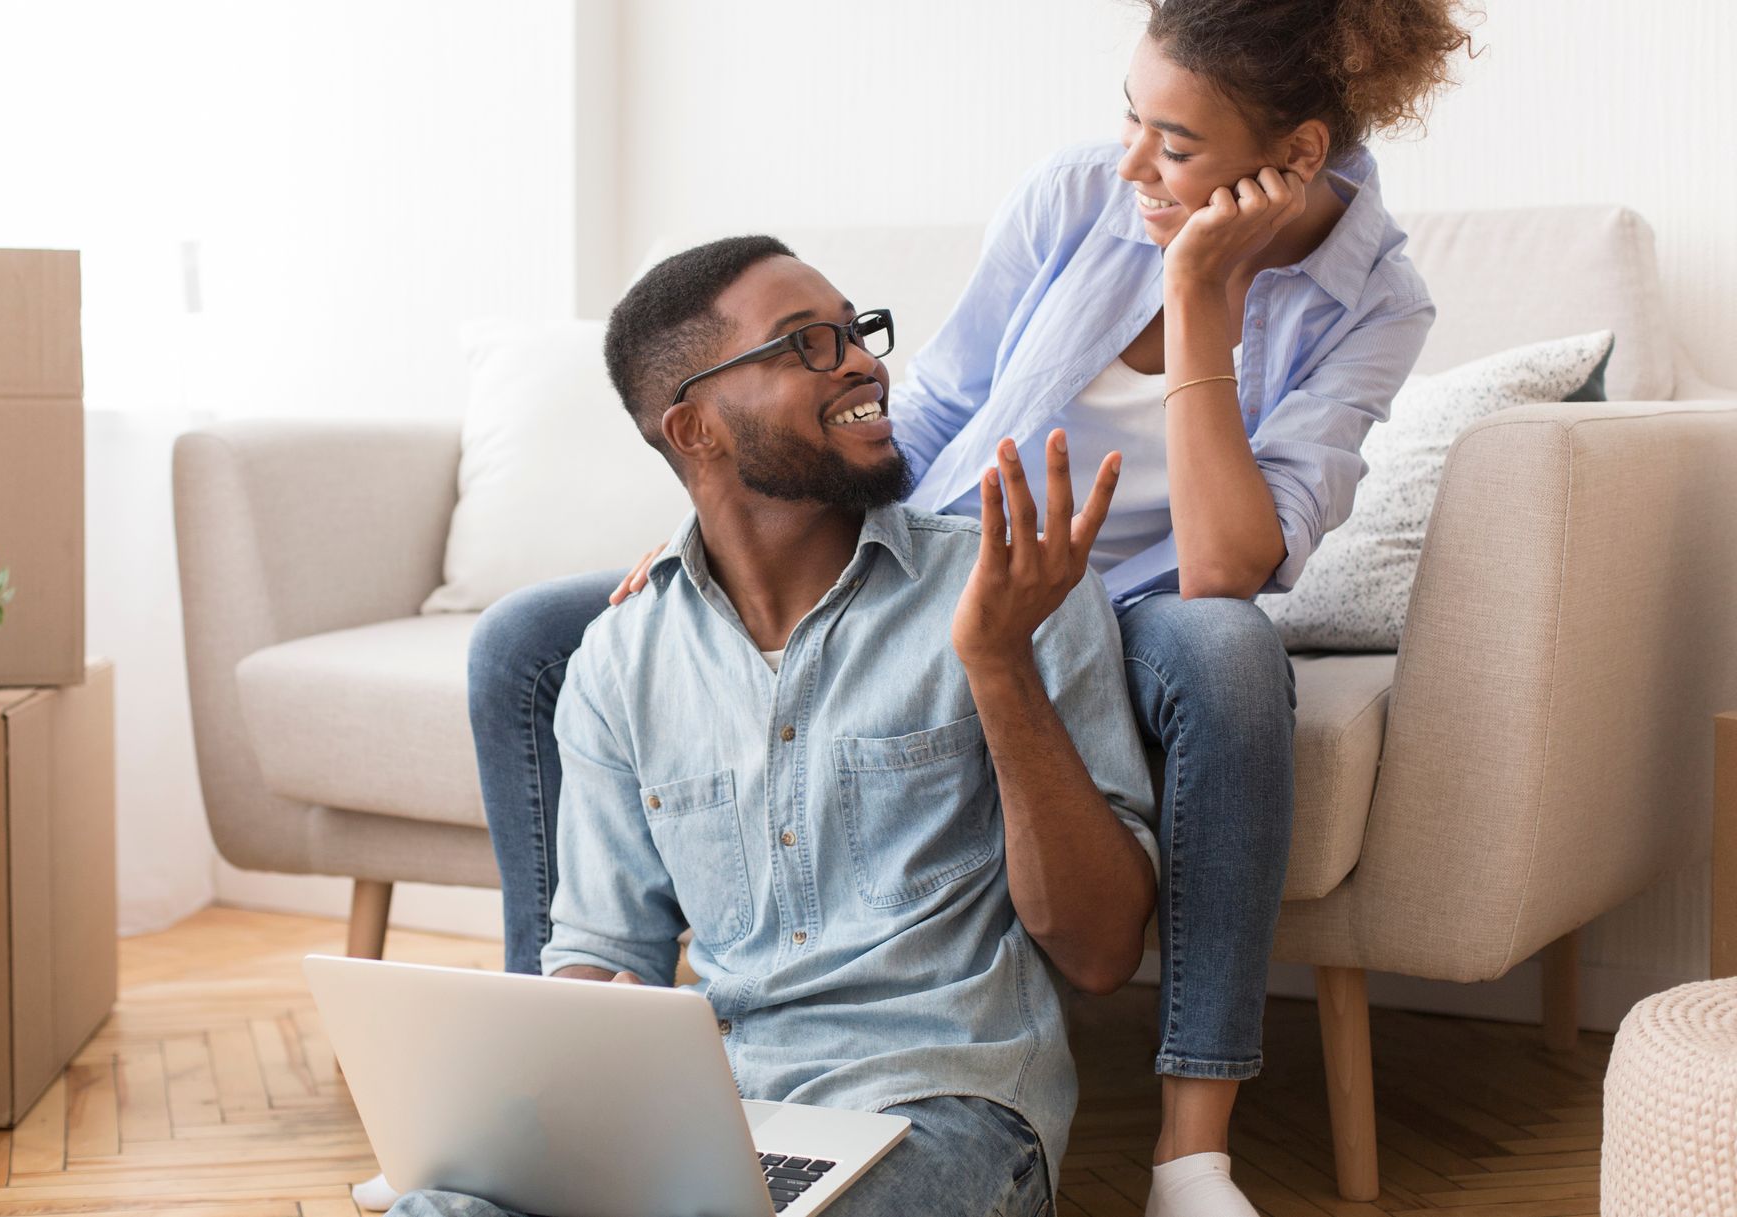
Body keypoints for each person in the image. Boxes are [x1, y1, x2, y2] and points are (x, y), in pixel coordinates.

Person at [464, 3, 1474, 1213]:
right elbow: (935, 402)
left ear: (1296, 158)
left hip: (1140, 598)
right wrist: (741, 534)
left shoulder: (1376, 303)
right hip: (951, 545)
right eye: (1130, 120)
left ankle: (1190, 1151)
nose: (1132, 166)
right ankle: (554, 1070)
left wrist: (1200, 289)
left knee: (1228, 650)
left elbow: (1226, 563)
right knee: (533, 636)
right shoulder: (1073, 198)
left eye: (1175, 145)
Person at [395, 238, 1158, 1217]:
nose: (862, 362)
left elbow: (1100, 952)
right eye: (805, 344)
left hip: (942, 1115)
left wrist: (1000, 665)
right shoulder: (620, 660)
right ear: (697, 429)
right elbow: (603, 952)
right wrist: (549, 1127)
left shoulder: (1020, 594)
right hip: (713, 1122)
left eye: (855, 331)